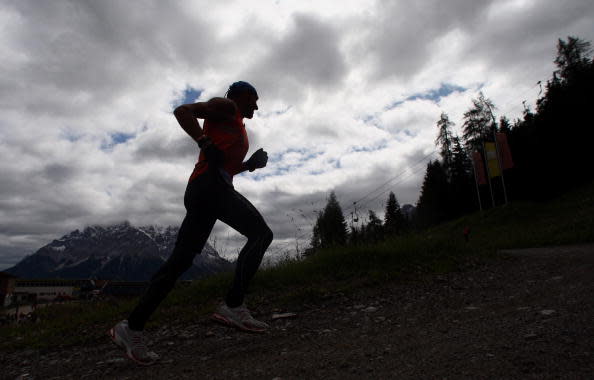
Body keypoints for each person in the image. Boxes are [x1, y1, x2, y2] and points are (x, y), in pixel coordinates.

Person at [109, 81, 273, 365]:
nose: (256, 105)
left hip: (208, 189)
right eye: (253, 99)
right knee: (261, 235)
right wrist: (203, 141)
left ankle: (131, 327)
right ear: (239, 96)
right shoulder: (226, 107)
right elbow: (182, 110)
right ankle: (233, 306)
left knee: (179, 263)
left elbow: (224, 165)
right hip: (210, 188)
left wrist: (250, 165)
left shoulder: (237, 125)